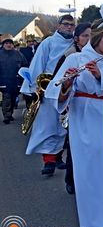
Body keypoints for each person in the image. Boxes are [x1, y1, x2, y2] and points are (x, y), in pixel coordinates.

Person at [45, 3, 103, 227]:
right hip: (87, 122)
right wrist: (66, 83)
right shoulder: (76, 59)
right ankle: (93, 225)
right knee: (93, 173)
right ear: (96, 39)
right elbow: (57, 94)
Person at [22, 14, 76, 177]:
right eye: (66, 24)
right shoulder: (48, 43)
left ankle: (58, 157)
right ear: (59, 26)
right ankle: (48, 160)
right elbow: (37, 64)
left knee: (63, 127)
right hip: (47, 90)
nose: (69, 27)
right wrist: (33, 90)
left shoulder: (75, 44)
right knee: (47, 126)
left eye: (71, 25)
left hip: (66, 89)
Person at [56, 22, 92, 194]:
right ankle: (71, 179)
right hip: (75, 106)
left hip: (93, 109)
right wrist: (68, 82)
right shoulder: (70, 55)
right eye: (85, 36)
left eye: (91, 36)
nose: (89, 39)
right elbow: (58, 83)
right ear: (77, 39)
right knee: (74, 145)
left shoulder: (99, 54)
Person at [0, 37, 28, 124]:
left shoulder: (18, 54)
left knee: (13, 99)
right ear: (3, 45)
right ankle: (6, 116)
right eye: (6, 43)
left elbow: (25, 65)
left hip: (16, 81)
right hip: (4, 80)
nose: (8, 45)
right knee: (6, 98)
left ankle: (10, 113)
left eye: (10, 43)